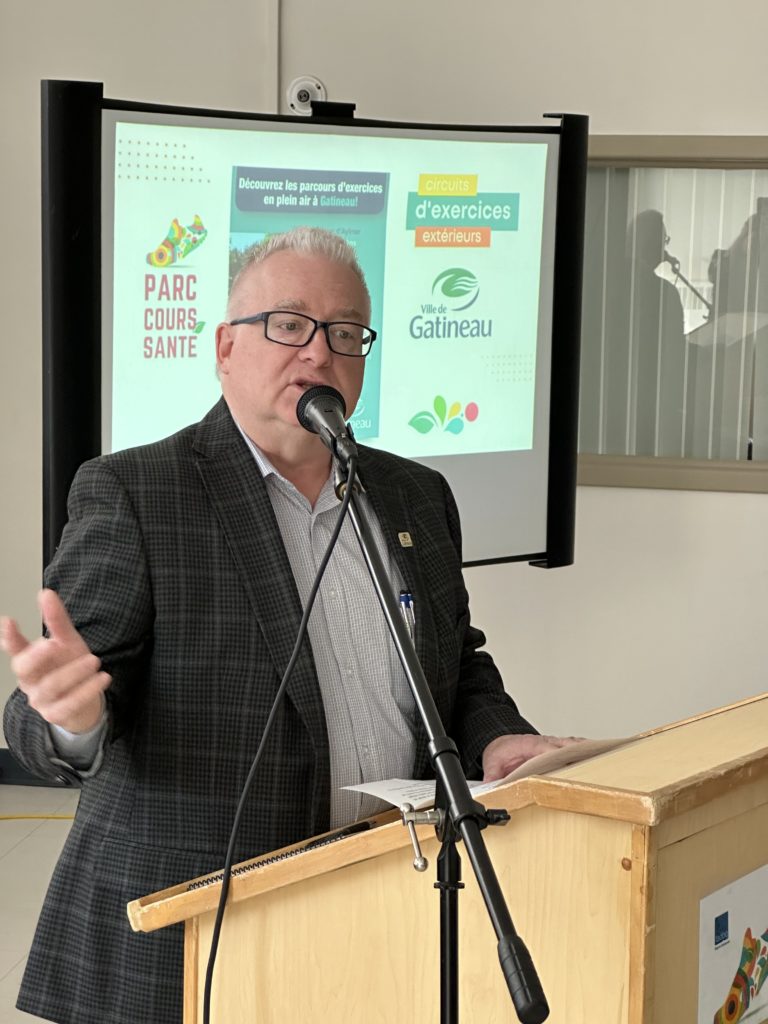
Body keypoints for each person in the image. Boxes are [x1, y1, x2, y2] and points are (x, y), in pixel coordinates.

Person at [2, 227, 569, 1024]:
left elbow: (457, 661)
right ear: (226, 348)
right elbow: (57, 700)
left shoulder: (414, 495)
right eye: (289, 323)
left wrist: (497, 735)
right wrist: (72, 718)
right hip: (191, 931)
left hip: (376, 902)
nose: (319, 351)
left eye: (346, 332)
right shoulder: (139, 491)